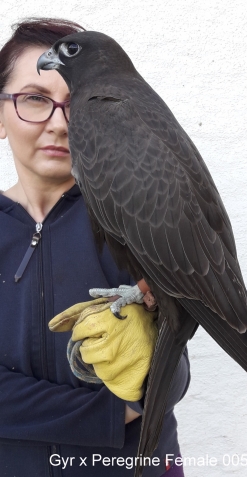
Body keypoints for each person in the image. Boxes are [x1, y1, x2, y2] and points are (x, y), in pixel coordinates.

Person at [0, 18, 190, 476]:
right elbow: (140, 402)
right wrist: (113, 413)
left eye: (74, 103)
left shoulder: (135, 211)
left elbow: (173, 370)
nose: (61, 124)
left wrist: (149, 373)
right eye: (34, 100)